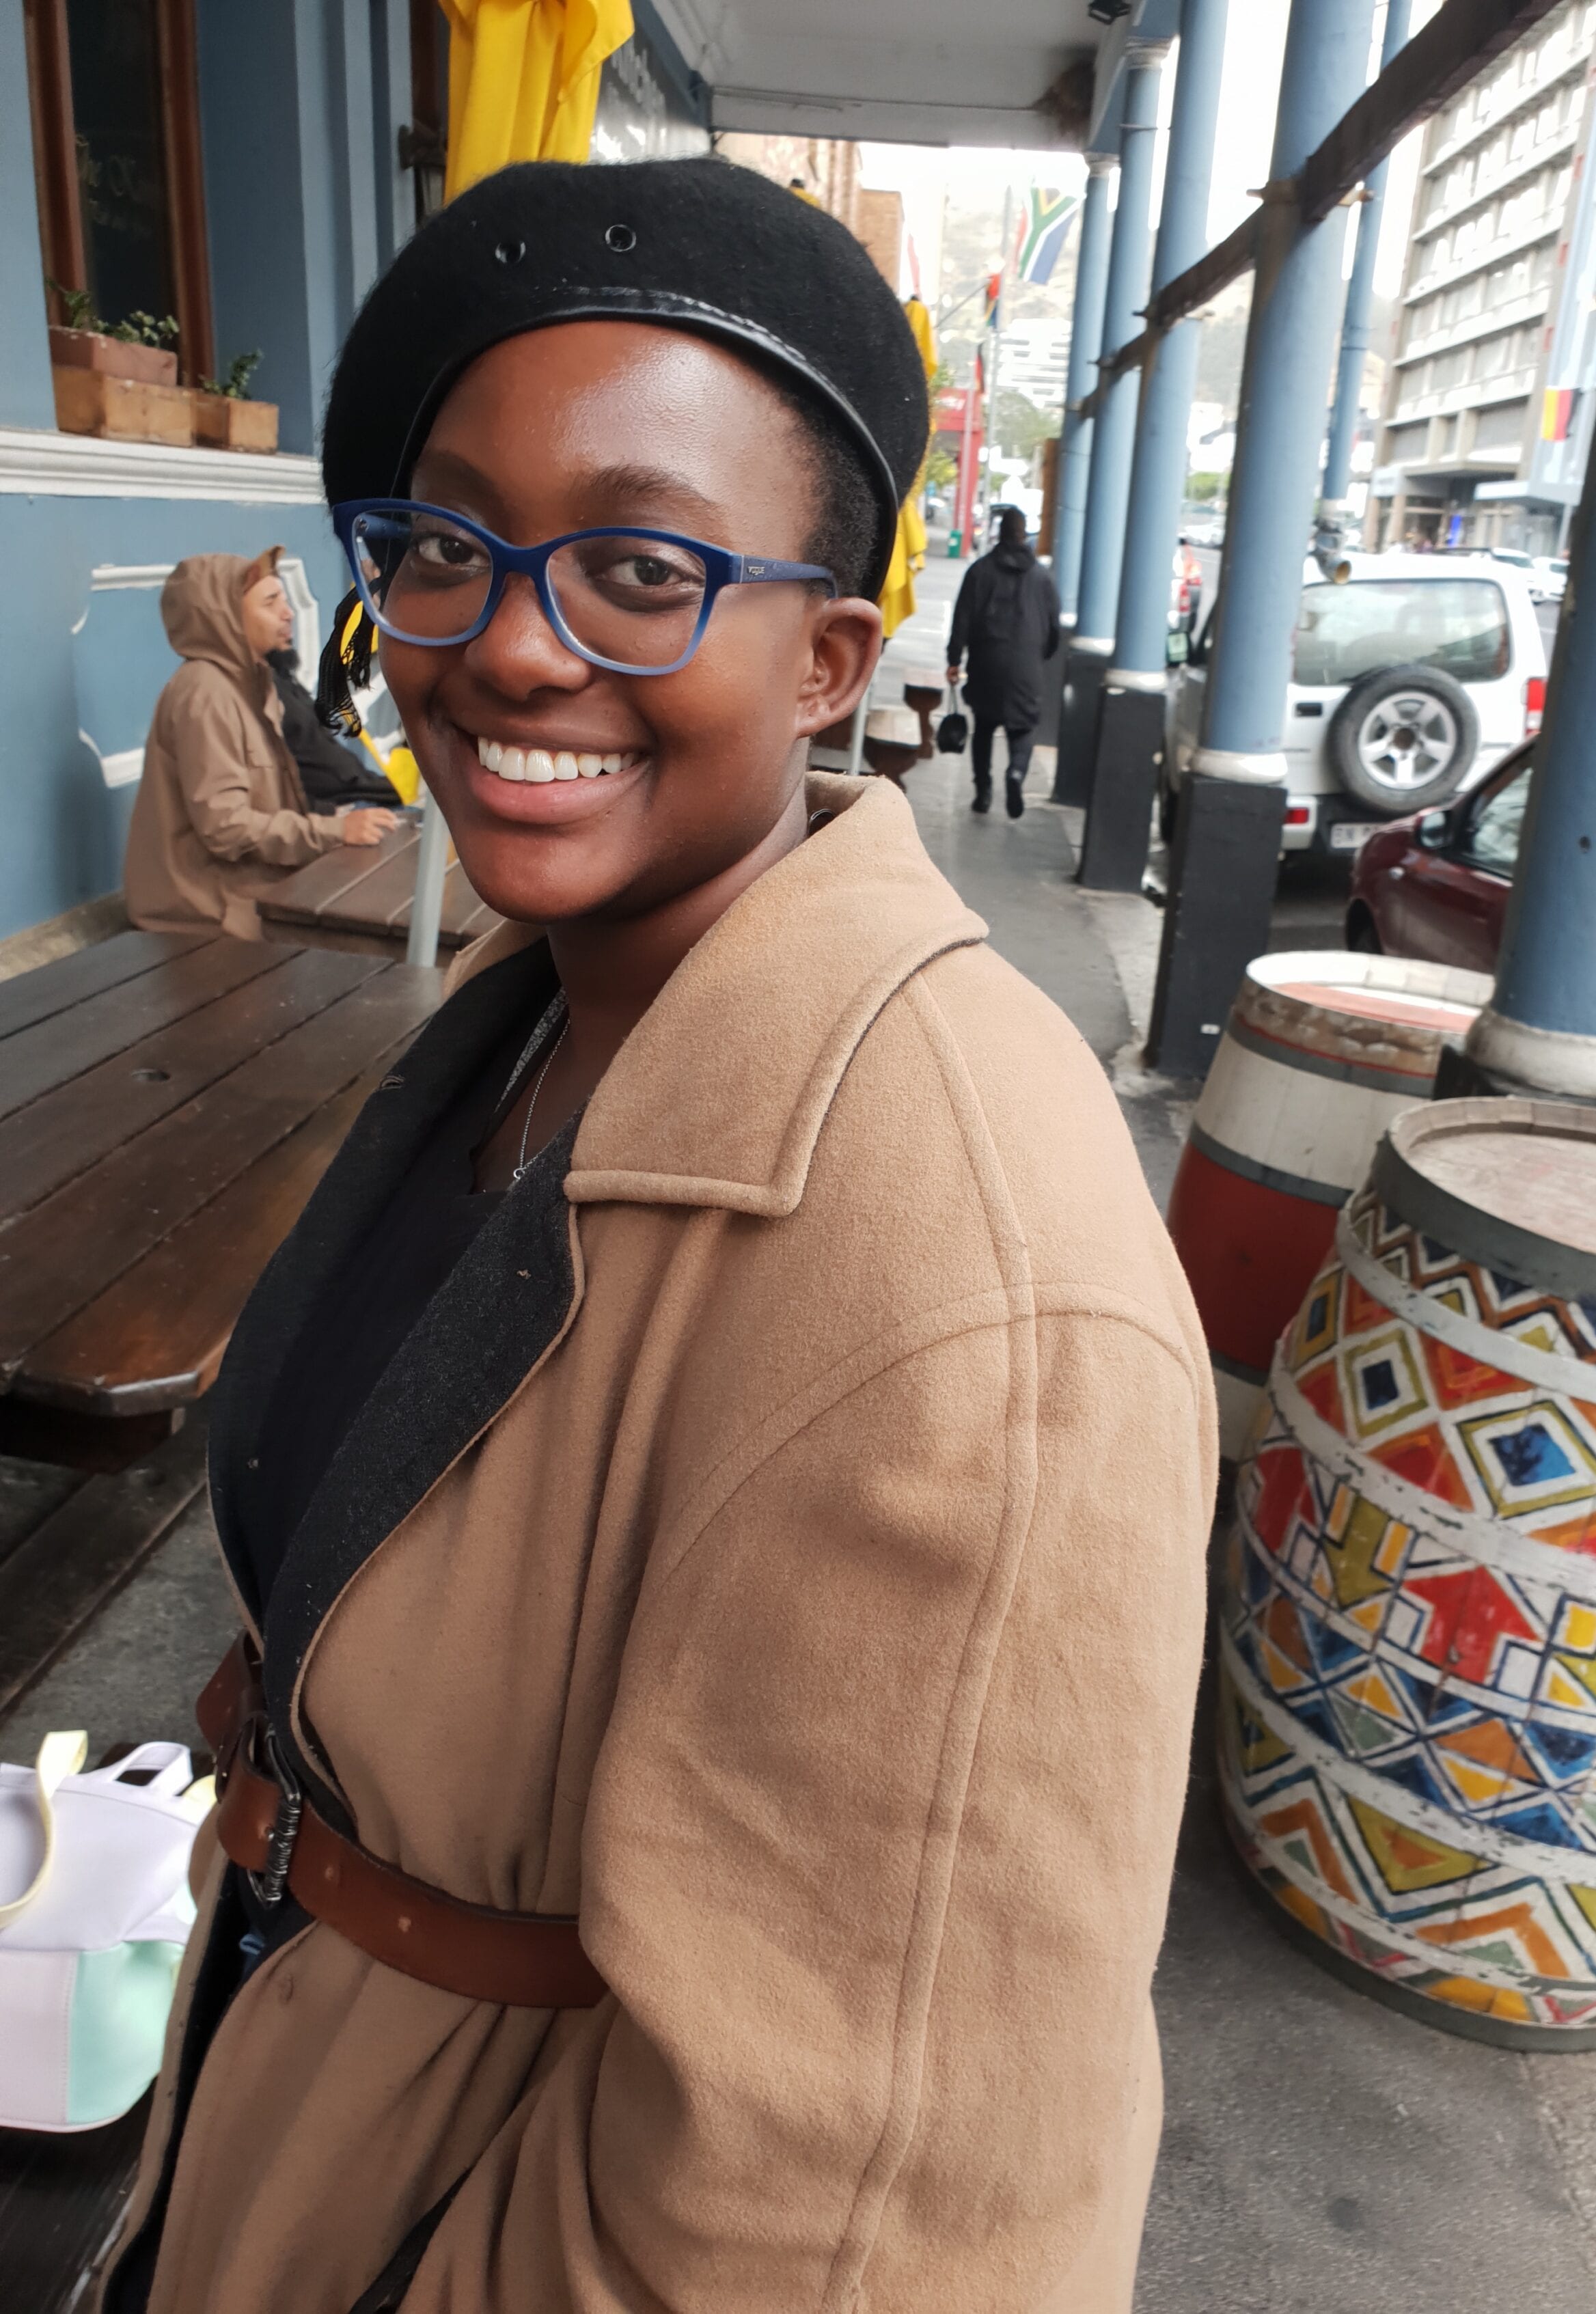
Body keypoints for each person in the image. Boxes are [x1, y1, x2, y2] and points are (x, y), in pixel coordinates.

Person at [104, 160, 1210, 2314]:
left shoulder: (974, 1298)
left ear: (828, 662)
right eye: (445, 547)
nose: (510, 640)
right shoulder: (541, 1012)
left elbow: (856, 2233)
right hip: (305, 2093)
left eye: (639, 567)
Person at [124, 550, 397, 939]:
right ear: (225, 617)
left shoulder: (250, 682)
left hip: (249, 890)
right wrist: (334, 831)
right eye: (270, 603)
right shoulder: (206, 693)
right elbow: (226, 827)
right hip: (211, 910)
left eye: (284, 599)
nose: (288, 613)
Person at [945, 506, 1060, 820]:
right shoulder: (1042, 578)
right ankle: (1016, 773)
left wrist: (954, 659)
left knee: (984, 728)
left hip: (986, 663)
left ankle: (983, 792)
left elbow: (962, 619)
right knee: (1023, 727)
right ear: (1024, 535)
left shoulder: (980, 571)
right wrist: (1040, 655)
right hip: (1027, 667)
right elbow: (1054, 628)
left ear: (1000, 532)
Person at [265, 644, 403, 813]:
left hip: (364, 791)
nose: (288, 619)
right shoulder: (258, 692)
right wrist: (331, 817)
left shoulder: (283, 679)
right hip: (342, 806)